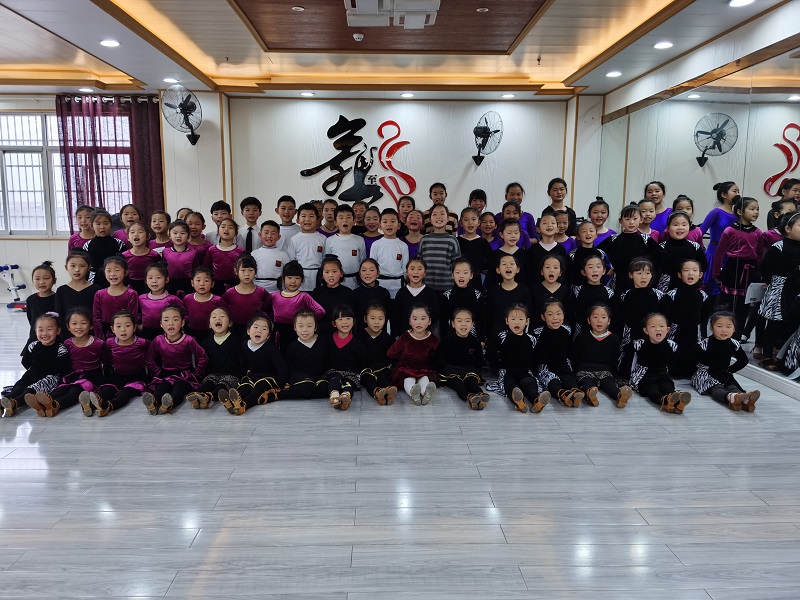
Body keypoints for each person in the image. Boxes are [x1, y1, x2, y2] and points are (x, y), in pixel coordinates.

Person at [31, 307, 103, 417]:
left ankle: (55, 405)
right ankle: (43, 403)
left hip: (91, 377)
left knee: (75, 391)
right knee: (61, 389)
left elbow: (106, 361)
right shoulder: (67, 343)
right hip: (71, 376)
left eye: (83, 323)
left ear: (91, 325)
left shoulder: (98, 344)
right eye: (74, 323)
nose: (78, 327)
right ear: (68, 327)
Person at [81, 310, 150, 417]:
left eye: (127, 325)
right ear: (112, 329)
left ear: (134, 327)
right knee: (106, 391)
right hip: (117, 377)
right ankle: (88, 406)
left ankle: (108, 406)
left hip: (137, 379)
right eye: (118, 326)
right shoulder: (109, 343)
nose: (123, 329)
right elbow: (107, 359)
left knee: (124, 394)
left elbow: (151, 359)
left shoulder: (142, 342)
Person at [142, 305, 208, 415]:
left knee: (178, 390)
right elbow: (148, 358)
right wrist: (158, 372)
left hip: (184, 376)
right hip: (165, 375)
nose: (171, 323)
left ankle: (168, 406)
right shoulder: (158, 340)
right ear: (161, 324)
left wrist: (197, 374)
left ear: (182, 322)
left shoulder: (188, 340)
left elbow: (203, 357)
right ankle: (153, 404)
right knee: (161, 389)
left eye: (175, 319)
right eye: (166, 320)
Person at [1, 312, 70, 417]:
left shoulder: (61, 349)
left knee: (31, 390)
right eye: (40, 330)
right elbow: (26, 361)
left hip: (50, 377)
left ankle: (15, 403)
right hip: (33, 373)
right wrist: (32, 372)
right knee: (20, 385)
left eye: (49, 329)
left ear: (58, 331)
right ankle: (3, 402)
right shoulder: (32, 346)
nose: (44, 333)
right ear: (35, 331)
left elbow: (65, 368)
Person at [712, 196, 762, 338]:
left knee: (744, 305)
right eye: (752, 209)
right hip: (733, 268)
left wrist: (759, 274)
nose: (756, 212)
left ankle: (737, 336)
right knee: (727, 303)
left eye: (757, 209)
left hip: (750, 270)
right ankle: (722, 333)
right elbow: (719, 253)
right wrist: (716, 273)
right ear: (740, 211)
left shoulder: (758, 232)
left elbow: (759, 256)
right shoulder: (730, 231)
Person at [220, 312, 287, 415]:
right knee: (245, 386)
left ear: (268, 335)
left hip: (268, 377)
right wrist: (242, 375)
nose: (259, 330)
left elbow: (281, 366)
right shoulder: (244, 345)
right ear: (248, 331)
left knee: (258, 388)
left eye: (264, 329)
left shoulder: (270, 348)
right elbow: (243, 363)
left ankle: (244, 405)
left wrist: (282, 383)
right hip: (252, 375)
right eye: (255, 327)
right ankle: (232, 402)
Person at [488, 303, 550, 413]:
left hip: (525, 372)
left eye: (521, 319)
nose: (517, 322)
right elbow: (491, 353)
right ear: (507, 321)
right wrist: (497, 366)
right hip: (508, 372)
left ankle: (537, 401)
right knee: (509, 385)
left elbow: (541, 356)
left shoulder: (531, 339)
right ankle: (519, 402)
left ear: (527, 321)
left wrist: (532, 366)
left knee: (531, 384)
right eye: (513, 319)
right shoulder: (502, 336)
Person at [692, 311, 759, 412]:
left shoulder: (734, 343)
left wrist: (730, 370)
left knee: (732, 386)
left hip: (724, 373)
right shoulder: (704, 344)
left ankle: (744, 400)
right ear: (712, 328)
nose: (724, 330)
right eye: (719, 326)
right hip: (706, 374)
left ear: (734, 329)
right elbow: (691, 359)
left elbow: (743, 360)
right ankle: (731, 397)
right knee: (716, 388)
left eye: (728, 327)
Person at [759, 212, 800, 370]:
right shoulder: (778, 247)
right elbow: (765, 267)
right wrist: (769, 281)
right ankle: (766, 355)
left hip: (797, 289)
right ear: (788, 229)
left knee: (792, 323)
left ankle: (782, 355)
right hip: (780, 287)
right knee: (774, 323)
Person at [572, 304, 633, 408]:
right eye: (595, 317)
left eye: (603, 317)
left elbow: (615, 359)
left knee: (610, 385)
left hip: (605, 371)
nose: (599, 321)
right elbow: (574, 356)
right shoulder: (582, 336)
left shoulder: (613, 338)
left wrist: (613, 373)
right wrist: (575, 372)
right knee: (586, 383)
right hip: (585, 370)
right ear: (588, 320)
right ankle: (590, 395)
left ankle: (620, 396)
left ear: (609, 321)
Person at [630, 312, 691, 414]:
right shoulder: (639, 344)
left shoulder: (671, 345)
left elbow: (672, 362)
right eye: (653, 326)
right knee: (651, 389)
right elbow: (632, 363)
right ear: (646, 330)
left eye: (661, 326)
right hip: (644, 375)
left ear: (667, 329)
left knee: (668, 387)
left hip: (662, 374)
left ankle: (677, 402)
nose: (658, 329)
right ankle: (664, 400)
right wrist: (631, 379)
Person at [616, 258, 668, 377]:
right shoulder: (625, 295)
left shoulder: (658, 295)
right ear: (631, 275)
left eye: (647, 273)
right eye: (639, 273)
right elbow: (620, 316)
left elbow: (663, 314)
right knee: (628, 358)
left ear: (651, 275)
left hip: (651, 332)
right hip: (631, 332)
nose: (643, 277)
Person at [599, 204, 664, 294]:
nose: (631, 222)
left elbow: (662, 255)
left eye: (635, 219)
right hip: (619, 280)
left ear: (641, 220)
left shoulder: (645, 239)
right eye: (627, 219)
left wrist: (649, 269)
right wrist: (606, 268)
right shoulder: (614, 239)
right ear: (621, 221)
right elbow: (597, 252)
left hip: (640, 279)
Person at [187, 306, 243, 409]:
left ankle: (209, 397)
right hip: (213, 374)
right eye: (214, 317)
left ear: (230, 323)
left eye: (222, 316)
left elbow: (242, 361)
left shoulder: (236, 341)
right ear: (209, 325)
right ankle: (197, 397)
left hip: (232, 375)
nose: (218, 318)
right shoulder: (205, 343)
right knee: (208, 383)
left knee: (222, 386)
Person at [532, 299, 584, 407]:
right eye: (550, 314)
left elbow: (570, 350)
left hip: (563, 364)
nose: (555, 318)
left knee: (568, 378)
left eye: (558, 314)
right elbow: (535, 354)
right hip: (546, 366)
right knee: (552, 381)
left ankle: (576, 392)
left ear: (563, 315)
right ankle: (563, 394)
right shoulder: (538, 332)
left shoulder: (567, 330)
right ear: (543, 317)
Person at [666, 259, 711, 377]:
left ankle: (690, 371)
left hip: (694, 330)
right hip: (675, 330)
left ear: (700, 275)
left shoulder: (703, 296)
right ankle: (672, 370)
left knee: (693, 350)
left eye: (694, 270)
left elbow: (705, 313)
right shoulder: (672, 294)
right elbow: (665, 313)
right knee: (674, 349)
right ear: (679, 274)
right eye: (686, 270)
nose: (690, 273)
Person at [436, 308, 489, 410]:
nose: (463, 324)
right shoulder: (446, 341)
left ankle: (481, 395)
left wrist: (476, 370)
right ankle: (470, 398)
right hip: (451, 370)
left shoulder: (475, 341)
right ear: (453, 324)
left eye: (467, 321)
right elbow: (438, 358)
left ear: (472, 324)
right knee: (458, 385)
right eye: (459, 321)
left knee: (471, 382)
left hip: (469, 369)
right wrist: (442, 370)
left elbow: (479, 360)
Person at [387, 304, 439, 405]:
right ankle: (413, 393)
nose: (419, 322)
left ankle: (426, 393)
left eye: (423, 319)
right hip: (406, 368)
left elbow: (439, 355)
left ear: (429, 321)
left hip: (424, 368)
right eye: (415, 319)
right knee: (408, 380)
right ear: (410, 321)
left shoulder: (432, 339)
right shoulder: (405, 337)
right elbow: (390, 353)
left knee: (424, 379)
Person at [269, 260, 325, 350]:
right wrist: (269, 323)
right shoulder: (274, 296)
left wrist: (306, 321)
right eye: (289, 278)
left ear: (302, 280)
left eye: (297, 278)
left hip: (298, 331)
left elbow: (321, 311)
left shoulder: (304, 296)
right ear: (283, 278)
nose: (293, 281)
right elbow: (264, 310)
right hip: (278, 331)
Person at [274, 310, 329, 401]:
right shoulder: (292, 347)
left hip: (317, 376)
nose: (305, 330)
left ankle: (305, 392)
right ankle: (279, 394)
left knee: (325, 387)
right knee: (308, 386)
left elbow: (327, 361)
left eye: (309, 326)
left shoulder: (323, 342)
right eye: (300, 326)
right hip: (299, 377)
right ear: (295, 327)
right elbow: (287, 366)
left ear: (315, 327)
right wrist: (285, 382)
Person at [700, 181, 740, 295]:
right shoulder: (716, 213)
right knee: (711, 287)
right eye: (734, 191)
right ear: (724, 195)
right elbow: (700, 232)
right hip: (715, 252)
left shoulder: (738, 215)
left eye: (738, 191)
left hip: (731, 254)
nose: (737, 194)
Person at [323, 304, 365, 411]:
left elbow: (361, 361)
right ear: (334, 323)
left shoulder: (357, 342)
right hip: (333, 371)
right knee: (335, 379)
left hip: (350, 373)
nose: (345, 322)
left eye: (348, 318)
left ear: (354, 322)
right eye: (340, 319)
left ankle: (346, 397)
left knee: (349, 383)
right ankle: (334, 397)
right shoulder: (328, 340)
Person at [657, 211, 708, 292]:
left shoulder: (695, 246)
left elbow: (703, 266)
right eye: (675, 225)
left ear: (689, 227)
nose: (680, 228)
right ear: (668, 228)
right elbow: (657, 268)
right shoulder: (661, 247)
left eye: (684, 225)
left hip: (691, 284)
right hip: (667, 286)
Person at [485, 253, 532, 339]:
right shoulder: (492, 291)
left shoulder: (524, 290)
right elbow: (489, 315)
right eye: (504, 264)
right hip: (497, 334)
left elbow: (528, 313)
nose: (508, 266)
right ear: (498, 270)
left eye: (511, 264)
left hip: (518, 333)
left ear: (517, 269)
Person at [358, 303, 397, 405]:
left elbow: (390, 357)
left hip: (382, 368)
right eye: (372, 318)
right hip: (365, 369)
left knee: (383, 375)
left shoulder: (387, 338)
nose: (376, 322)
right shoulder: (359, 336)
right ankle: (377, 392)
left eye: (380, 319)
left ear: (385, 320)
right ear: (365, 319)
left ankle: (388, 391)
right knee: (368, 379)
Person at [92, 256, 139, 339]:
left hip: (125, 332)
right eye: (108, 270)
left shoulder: (131, 293)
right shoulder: (99, 294)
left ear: (126, 272)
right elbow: (96, 319)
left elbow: (133, 317)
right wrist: (100, 338)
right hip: (105, 334)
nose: (112, 274)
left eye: (117, 270)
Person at [567, 255, 615, 335]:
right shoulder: (577, 290)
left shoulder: (609, 292)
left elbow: (614, 316)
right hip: (581, 333)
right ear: (583, 272)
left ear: (604, 271)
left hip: (603, 333)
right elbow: (571, 313)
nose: (595, 270)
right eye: (590, 267)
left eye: (598, 267)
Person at [222, 255, 269, 336]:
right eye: (243, 270)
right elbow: (222, 310)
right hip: (234, 330)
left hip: (255, 330)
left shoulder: (261, 292)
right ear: (236, 271)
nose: (247, 274)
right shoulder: (230, 293)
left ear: (256, 271)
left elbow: (268, 309)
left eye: (250, 270)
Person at [392, 257, 439, 337]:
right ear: (407, 272)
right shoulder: (401, 293)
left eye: (419, 269)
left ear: (425, 273)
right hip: (405, 336)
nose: (416, 272)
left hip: (425, 336)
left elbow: (435, 314)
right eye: (412, 269)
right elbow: (395, 316)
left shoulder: (430, 293)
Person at [419, 204, 460, 293]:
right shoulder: (424, 239)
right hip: (426, 285)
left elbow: (457, 265)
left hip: (447, 285)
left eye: (442, 214)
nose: (438, 217)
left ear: (448, 218)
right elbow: (419, 262)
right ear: (430, 219)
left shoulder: (452, 240)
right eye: (434, 214)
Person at [441, 258, 485, 341]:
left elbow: (480, 319)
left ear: (471, 275)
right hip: (452, 337)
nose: (461, 276)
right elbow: (444, 320)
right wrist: (444, 339)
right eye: (457, 272)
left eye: (465, 273)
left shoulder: (477, 295)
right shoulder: (447, 295)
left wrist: (481, 339)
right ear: (452, 275)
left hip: (472, 337)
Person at [138, 263, 185, 340]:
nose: (154, 281)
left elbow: (185, 314)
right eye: (150, 278)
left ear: (166, 279)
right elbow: (136, 314)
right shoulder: (141, 298)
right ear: (146, 280)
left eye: (158, 278)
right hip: (146, 333)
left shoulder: (172, 299)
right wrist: (138, 325)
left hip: (167, 333)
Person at [325, 204, 366, 289]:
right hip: (335, 283)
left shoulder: (359, 240)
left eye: (348, 217)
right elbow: (327, 263)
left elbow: (362, 261)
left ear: (354, 221)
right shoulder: (330, 240)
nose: (345, 220)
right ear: (335, 222)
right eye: (341, 218)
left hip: (355, 282)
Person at [369, 208, 408, 298]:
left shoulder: (403, 245)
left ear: (398, 225)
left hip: (398, 284)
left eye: (392, 221)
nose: (389, 224)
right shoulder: (376, 244)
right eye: (385, 222)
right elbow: (372, 267)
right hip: (380, 284)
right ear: (380, 225)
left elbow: (405, 268)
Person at [183, 267, 229, 342]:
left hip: (211, 333)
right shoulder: (187, 299)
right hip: (191, 332)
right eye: (198, 280)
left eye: (206, 281)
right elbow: (184, 314)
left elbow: (227, 314)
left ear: (212, 284)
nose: (202, 284)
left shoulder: (218, 300)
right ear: (192, 283)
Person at [82, 209, 126, 288]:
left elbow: (123, 264)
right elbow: (85, 265)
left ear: (111, 225)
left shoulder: (119, 244)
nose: (102, 227)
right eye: (98, 224)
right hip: (94, 279)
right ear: (91, 226)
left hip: (114, 277)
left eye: (106, 223)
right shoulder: (87, 245)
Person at [312, 256, 354, 336]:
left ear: (341, 273)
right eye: (327, 272)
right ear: (322, 275)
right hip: (321, 333)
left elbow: (351, 317)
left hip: (341, 333)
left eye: (334, 271)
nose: (331, 275)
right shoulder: (317, 292)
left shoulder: (348, 293)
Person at [54, 250, 100, 323]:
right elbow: (59, 316)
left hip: (91, 329)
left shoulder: (96, 289)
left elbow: (98, 315)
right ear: (66, 267)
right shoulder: (61, 291)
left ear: (89, 267)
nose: (77, 270)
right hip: (67, 330)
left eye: (82, 266)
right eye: (73, 266)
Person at [291, 202, 327, 291]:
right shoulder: (294, 239)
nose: (307, 219)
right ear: (298, 220)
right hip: (300, 277)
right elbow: (292, 261)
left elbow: (325, 260)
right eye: (303, 216)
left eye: (311, 216)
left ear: (317, 220)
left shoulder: (323, 239)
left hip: (318, 277)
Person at [204, 217, 244, 294]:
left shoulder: (240, 251)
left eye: (230, 227)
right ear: (218, 231)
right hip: (215, 286)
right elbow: (207, 269)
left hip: (235, 285)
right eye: (223, 227)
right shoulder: (211, 250)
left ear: (236, 233)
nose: (226, 229)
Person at [526, 213, 567, 287]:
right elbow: (529, 272)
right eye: (545, 223)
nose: (549, 225)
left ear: (557, 229)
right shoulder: (533, 249)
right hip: (535, 289)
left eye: (553, 223)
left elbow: (563, 271)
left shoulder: (561, 249)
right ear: (538, 229)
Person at [252, 220, 291, 294]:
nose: (269, 236)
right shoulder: (254, 254)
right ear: (260, 234)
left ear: (279, 237)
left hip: (277, 291)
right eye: (266, 233)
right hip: (257, 290)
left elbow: (287, 274)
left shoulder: (283, 255)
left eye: (273, 233)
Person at [162, 220, 199, 295]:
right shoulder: (165, 251)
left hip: (188, 283)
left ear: (188, 235)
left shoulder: (193, 252)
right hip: (170, 283)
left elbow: (196, 270)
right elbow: (163, 269)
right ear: (169, 235)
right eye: (175, 233)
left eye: (182, 233)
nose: (178, 236)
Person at [457, 207, 492, 284]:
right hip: (459, 279)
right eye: (466, 220)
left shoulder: (482, 242)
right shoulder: (457, 241)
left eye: (473, 219)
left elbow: (491, 260)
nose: (470, 223)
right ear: (461, 223)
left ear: (479, 222)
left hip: (476, 279)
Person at [488, 217, 527, 287]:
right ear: (501, 234)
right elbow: (491, 277)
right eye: (509, 233)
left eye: (516, 233)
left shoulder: (524, 254)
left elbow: (528, 276)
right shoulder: (495, 254)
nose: (513, 236)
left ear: (520, 233)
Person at [123, 222, 160, 295]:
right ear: (128, 238)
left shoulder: (154, 255)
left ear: (148, 236)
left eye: (140, 232)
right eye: (132, 232)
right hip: (130, 288)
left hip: (150, 287)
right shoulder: (124, 256)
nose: (136, 234)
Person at [25, 261, 57, 344]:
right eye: (37, 279)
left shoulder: (58, 298)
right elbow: (31, 321)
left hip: (54, 340)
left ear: (54, 280)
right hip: (36, 339)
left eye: (46, 278)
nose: (42, 282)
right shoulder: (31, 300)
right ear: (33, 281)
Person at [568, 221, 609, 286]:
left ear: (596, 235)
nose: (588, 233)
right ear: (578, 236)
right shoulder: (572, 254)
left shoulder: (601, 253)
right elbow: (569, 275)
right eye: (584, 231)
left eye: (591, 231)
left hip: (597, 288)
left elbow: (602, 275)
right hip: (578, 289)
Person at [352, 258, 392, 325]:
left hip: (380, 330)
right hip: (360, 330)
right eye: (364, 270)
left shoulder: (384, 293)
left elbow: (388, 315)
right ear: (359, 273)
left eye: (371, 270)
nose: (367, 273)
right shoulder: (354, 294)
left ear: (378, 273)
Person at [530, 254, 568, 319]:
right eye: (547, 267)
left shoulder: (564, 289)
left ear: (560, 273)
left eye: (555, 267)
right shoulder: (534, 289)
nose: (551, 270)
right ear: (541, 271)